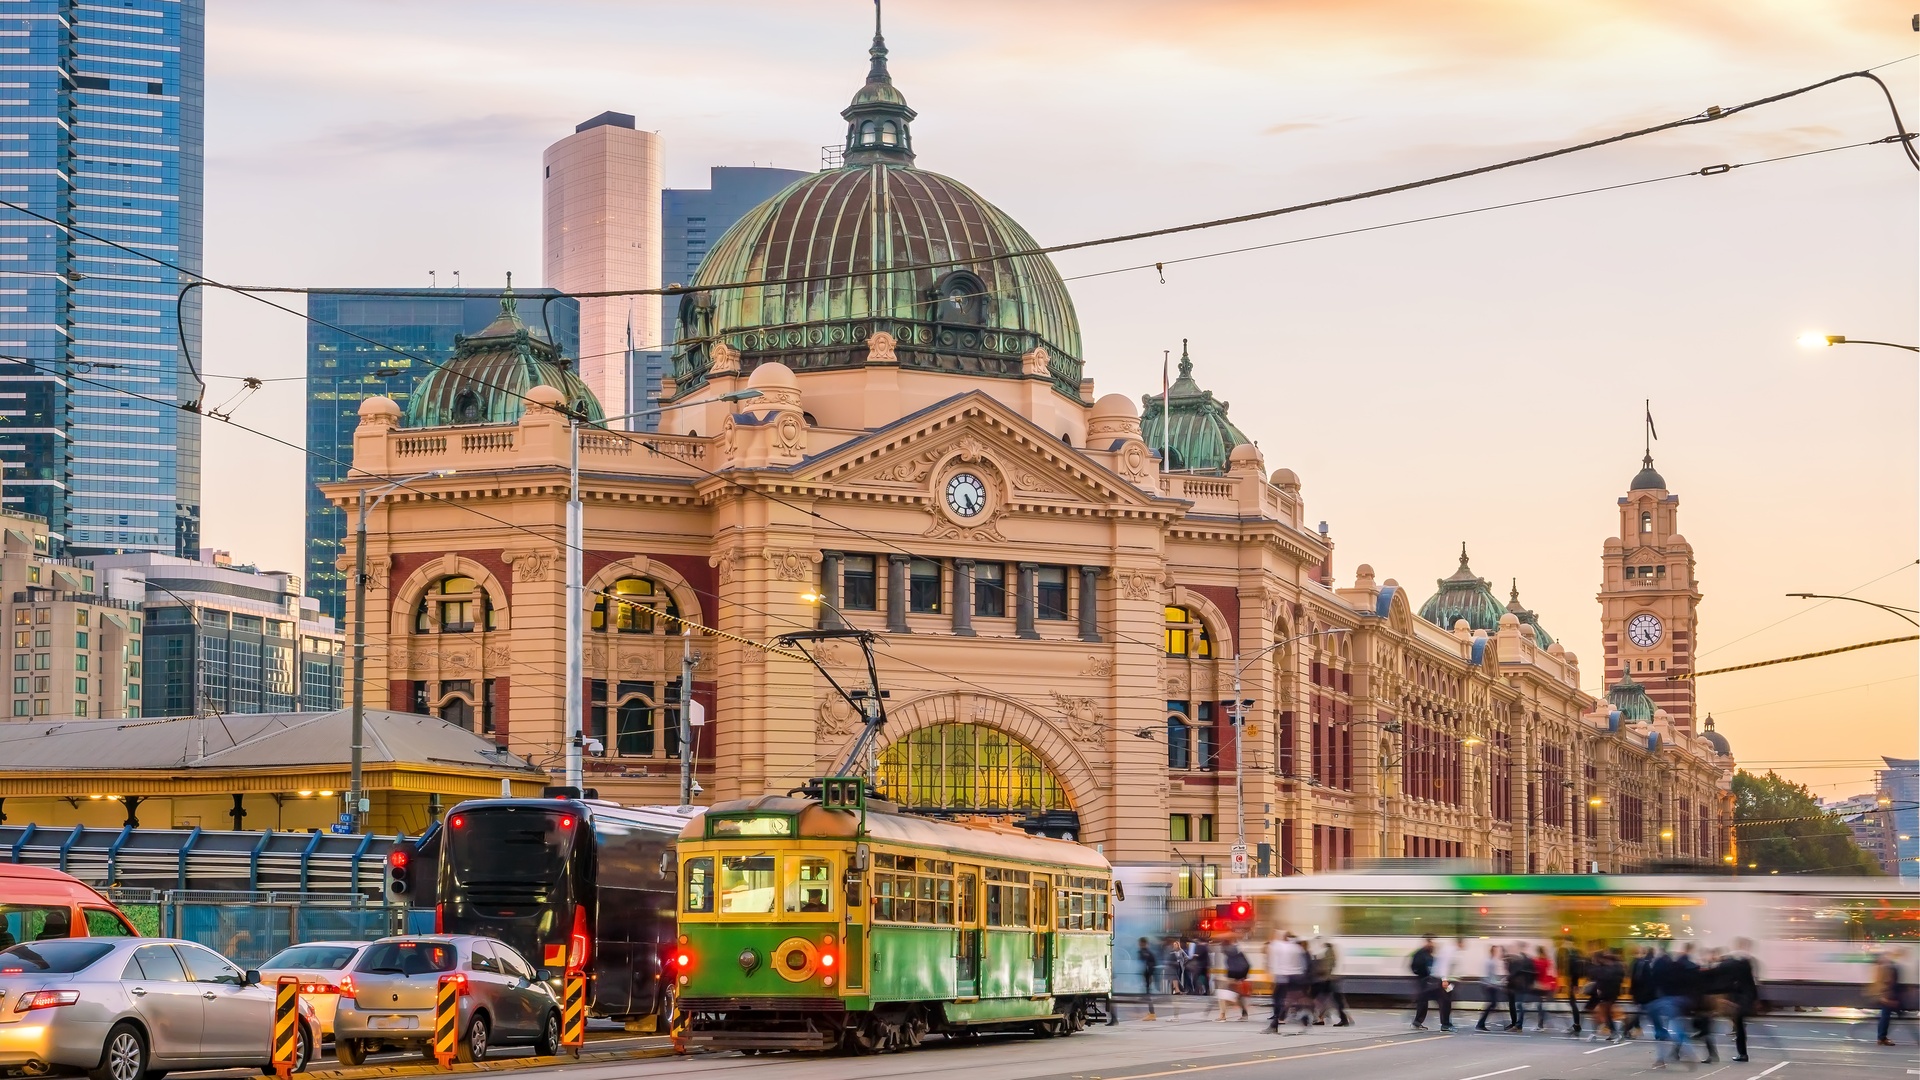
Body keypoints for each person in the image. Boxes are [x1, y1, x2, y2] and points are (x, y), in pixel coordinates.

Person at [1714, 939, 1758, 1061]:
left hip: (1739, 999)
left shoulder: (1739, 961)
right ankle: (1742, 1053)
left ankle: (1743, 1054)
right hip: (1744, 998)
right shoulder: (1747, 961)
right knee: (1740, 1025)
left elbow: (1727, 973)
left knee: (1739, 1025)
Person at [1266, 931, 1309, 1032]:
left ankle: (1274, 1024)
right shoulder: (1297, 948)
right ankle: (1304, 1017)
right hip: (1297, 977)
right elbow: (1303, 964)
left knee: (1278, 1000)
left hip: (1283, 977)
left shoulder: (1278, 946)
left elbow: (1273, 961)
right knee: (1295, 999)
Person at [1411, 934, 1453, 1031]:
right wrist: (1423, 975)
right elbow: (1415, 967)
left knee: (1440, 1000)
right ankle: (1445, 1024)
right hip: (1427, 981)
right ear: (1427, 942)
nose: (1434, 944)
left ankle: (1418, 1022)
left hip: (1433, 980)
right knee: (1429, 1001)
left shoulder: (1430, 953)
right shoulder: (1421, 954)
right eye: (1432, 942)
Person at [1586, 947, 1624, 1043]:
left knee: (1604, 1013)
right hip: (1605, 993)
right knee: (1603, 1012)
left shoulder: (1605, 968)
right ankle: (1609, 1032)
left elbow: (1598, 977)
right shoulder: (1613, 966)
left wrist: (1600, 989)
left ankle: (1613, 1033)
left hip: (1605, 993)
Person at [1869, 950, 1903, 1047]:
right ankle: (1881, 1038)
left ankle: (1881, 1037)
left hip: (1890, 996)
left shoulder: (1887, 967)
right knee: (1886, 1016)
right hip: (1887, 996)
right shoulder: (1884, 968)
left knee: (1887, 1016)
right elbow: (1883, 984)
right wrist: (1884, 997)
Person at [1314, 939, 1351, 1026]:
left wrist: (1319, 972)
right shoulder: (1332, 952)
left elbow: (1326, 967)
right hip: (1331, 979)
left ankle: (1344, 1019)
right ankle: (1322, 1018)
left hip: (1329, 979)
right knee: (1328, 1000)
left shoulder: (1328, 953)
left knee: (1328, 1000)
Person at [1217, 935, 1252, 1021]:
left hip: (1234, 976)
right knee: (1237, 995)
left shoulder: (1229, 954)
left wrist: (1229, 979)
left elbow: (1232, 968)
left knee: (1222, 993)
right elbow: (1247, 965)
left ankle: (1222, 1015)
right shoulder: (1238, 951)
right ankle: (1244, 1014)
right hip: (1241, 975)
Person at [1557, 937, 1587, 1035]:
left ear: (1570, 943)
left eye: (1565, 942)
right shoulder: (1572, 954)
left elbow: (1575, 971)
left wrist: (1574, 985)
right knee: (1572, 1003)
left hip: (1572, 983)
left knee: (1573, 1004)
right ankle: (1576, 1024)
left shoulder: (1573, 955)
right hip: (1572, 982)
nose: (1564, 944)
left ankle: (1577, 1025)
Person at [1503, 942, 1535, 1031]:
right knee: (1513, 1005)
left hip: (1520, 986)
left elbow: (1516, 973)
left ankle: (1518, 1025)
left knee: (1519, 1005)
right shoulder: (1514, 959)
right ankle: (1515, 1024)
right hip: (1513, 985)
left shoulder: (1524, 960)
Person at [1476, 944, 1507, 1031]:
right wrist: (1496, 984)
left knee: (1493, 1003)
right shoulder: (1489, 961)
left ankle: (1481, 1023)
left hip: (1489, 984)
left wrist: (1497, 983)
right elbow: (1487, 975)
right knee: (1491, 1003)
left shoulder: (1492, 961)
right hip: (1487, 985)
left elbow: (1492, 976)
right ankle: (1480, 1024)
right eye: (1496, 951)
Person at [1530, 945, 1556, 1031]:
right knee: (1541, 1005)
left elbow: (1535, 973)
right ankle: (1543, 1023)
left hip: (1540, 985)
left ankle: (1541, 1025)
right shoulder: (1548, 961)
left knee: (1539, 1005)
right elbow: (1551, 974)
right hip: (1547, 985)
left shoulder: (1537, 961)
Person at [1137, 937, 1159, 1020]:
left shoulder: (1145, 953)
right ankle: (1151, 1013)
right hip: (1147, 975)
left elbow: (1147, 965)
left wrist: (1149, 975)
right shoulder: (1148, 952)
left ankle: (1152, 1013)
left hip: (1147, 976)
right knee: (1146, 995)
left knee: (1147, 995)